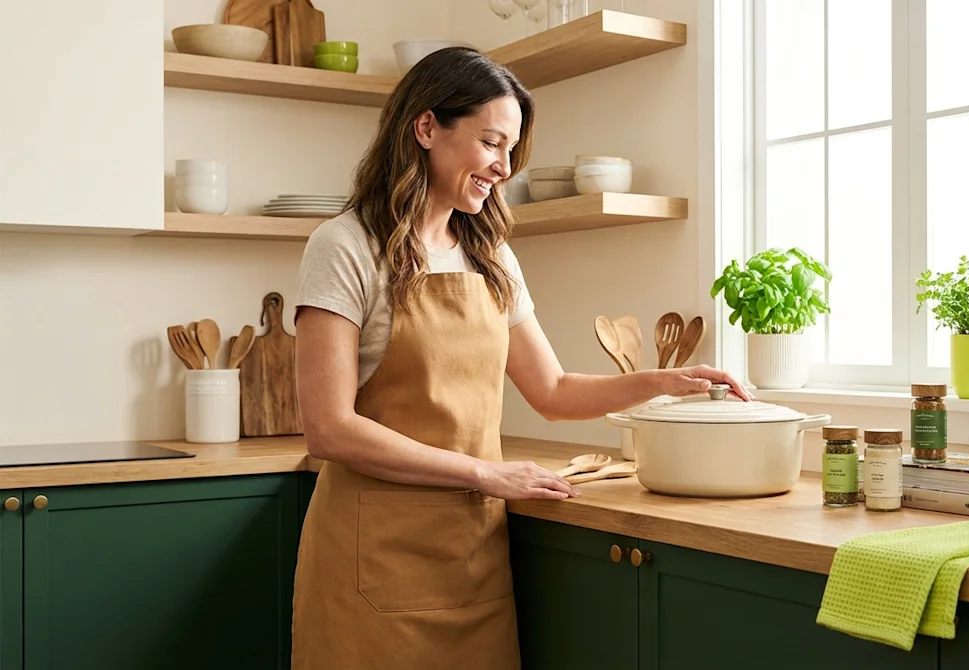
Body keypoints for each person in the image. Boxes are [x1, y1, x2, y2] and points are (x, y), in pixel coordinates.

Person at [288, 47, 750, 669]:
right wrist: (485, 474)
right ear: (426, 128)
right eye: (491, 143)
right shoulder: (344, 245)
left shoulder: (491, 255)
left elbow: (553, 391)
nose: (504, 167)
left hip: (471, 553)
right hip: (373, 556)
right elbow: (329, 428)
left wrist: (663, 381)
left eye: (512, 151)